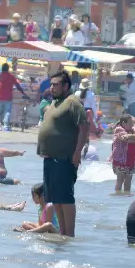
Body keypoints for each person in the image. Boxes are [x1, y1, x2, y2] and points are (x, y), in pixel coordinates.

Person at [37, 70, 88, 237]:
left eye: (56, 84)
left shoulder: (73, 102)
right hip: (50, 158)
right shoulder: (54, 103)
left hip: (65, 158)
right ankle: (63, 234)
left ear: (66, 86)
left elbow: (84, 127)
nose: (52, 88)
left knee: (66, 198)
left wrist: (77, 152)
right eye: (51, 84)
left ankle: (70, 234)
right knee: (56, 199)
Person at [0, 62, 28, 131]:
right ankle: (5, 126)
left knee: (0, 112)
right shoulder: (11, 76)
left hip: (0, 97)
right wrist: (23, 93)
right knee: (7, 112)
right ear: (8, 69)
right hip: (8, 97)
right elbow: (17, 86)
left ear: (2, 68)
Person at [110, 113, 135, 193]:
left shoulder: (131, 130)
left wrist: (131, 136)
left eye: (132, 123)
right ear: (123, 123)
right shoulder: (119, 129)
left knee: (128, 181)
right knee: (120, 180)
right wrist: (132, 138)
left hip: (130, 160)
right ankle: (117, 197)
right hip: (121, 160)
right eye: (130, 123)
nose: (132, 125)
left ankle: (126, 198)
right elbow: (126, 139)